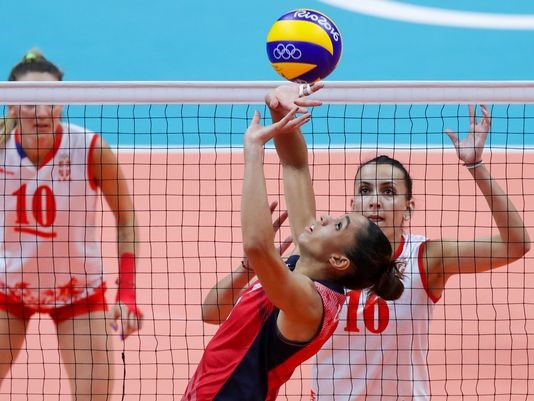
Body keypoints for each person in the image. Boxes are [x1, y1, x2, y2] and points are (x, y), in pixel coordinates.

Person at [202, 82, 531, 400]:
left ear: (408, 208)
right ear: (353, 205)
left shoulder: (424, 258)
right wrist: (281, 113)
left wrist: (475, 165)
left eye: (388, 192)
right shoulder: (314, 250)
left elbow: (516, 244)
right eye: (365, 191)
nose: (375, 201)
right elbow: (295, 167)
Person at [183, 97, 405, 399]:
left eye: (337, 226)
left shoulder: (309, 304)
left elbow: (258, 244)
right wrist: (279, 107)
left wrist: (253, 152)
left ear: (338, 260)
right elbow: (295, 166)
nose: (325, 218)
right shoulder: (303, 264)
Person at [0, 49, 143, 401]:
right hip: (7, 290)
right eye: (29, 102)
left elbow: (126, 219)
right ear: (13, 105)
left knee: (95, 396)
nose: (41, 112)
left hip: (77, 292)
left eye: (51, 101)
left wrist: (127, 293)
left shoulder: (89, 149)